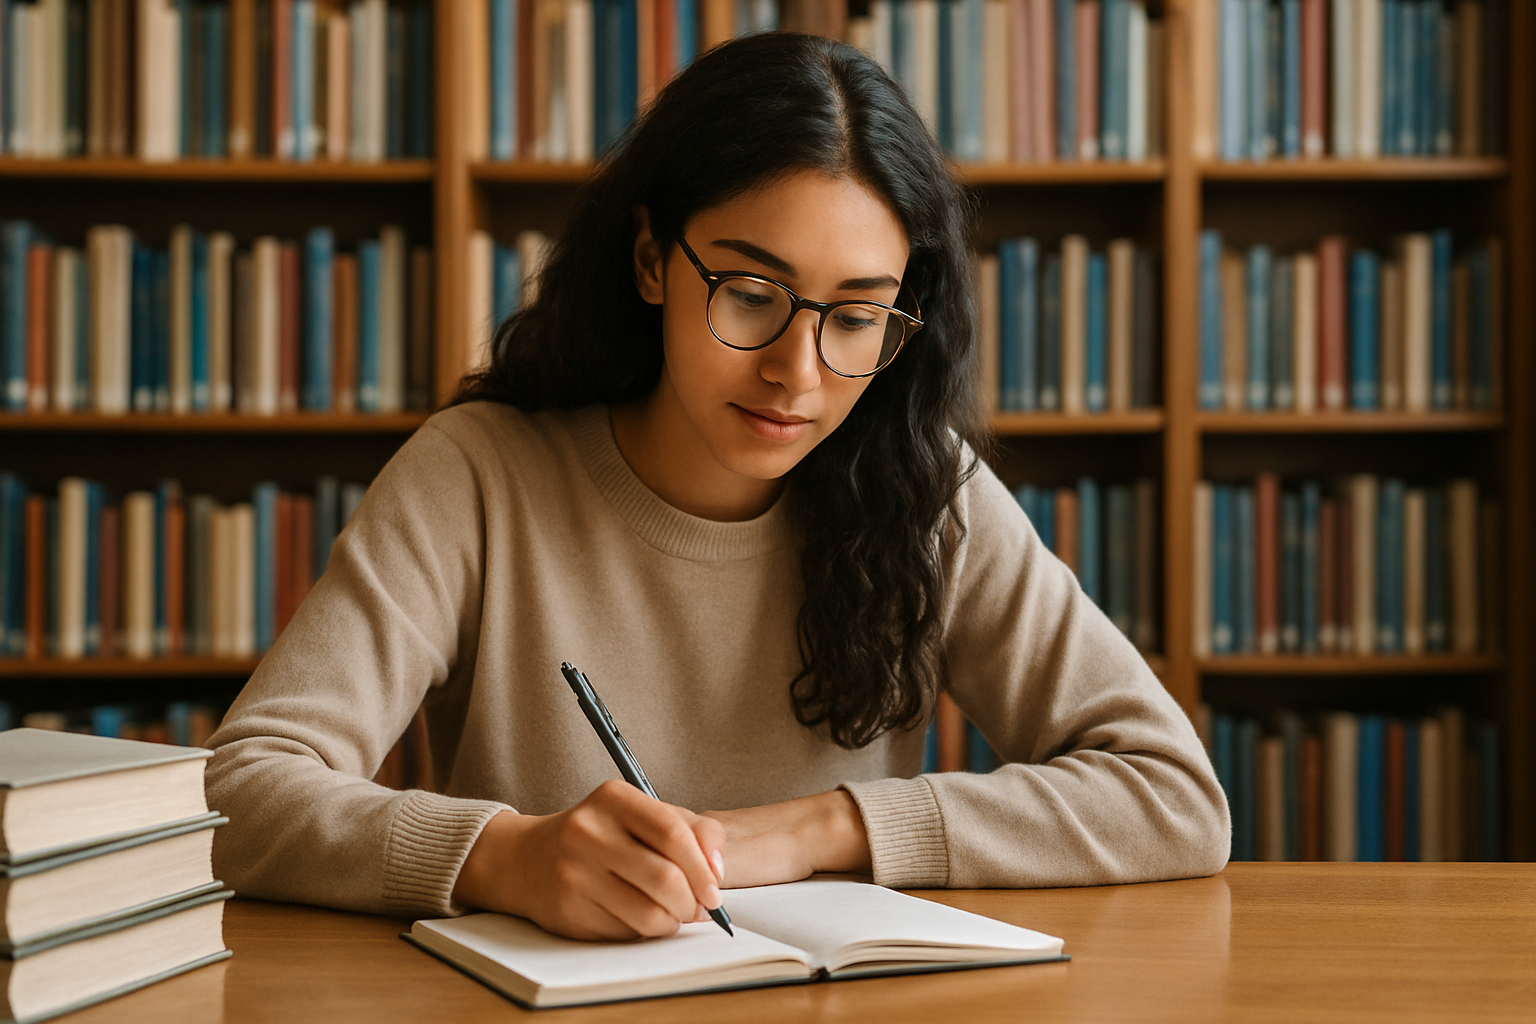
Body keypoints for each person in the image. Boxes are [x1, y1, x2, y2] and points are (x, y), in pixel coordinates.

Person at [205, 32, 1229, 942]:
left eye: (858, 316)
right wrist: (502, 856)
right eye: (750, 294)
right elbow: (241, 791)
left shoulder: (927, 492)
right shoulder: (479, 474)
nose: (799, 370)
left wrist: (821, 828)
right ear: (653, 258)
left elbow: (1175, 794)